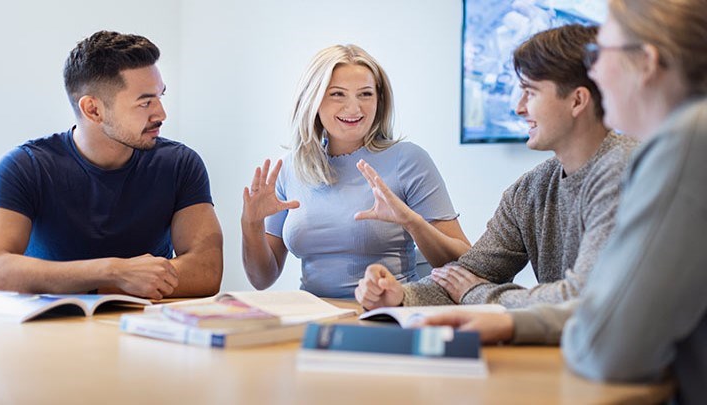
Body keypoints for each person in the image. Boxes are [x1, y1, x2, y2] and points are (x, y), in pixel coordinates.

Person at [423, 0, 707, 402]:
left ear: (645, 62)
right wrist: (514, 324)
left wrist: (484, 298)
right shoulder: (682, 140)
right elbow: (602, 307)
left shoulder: (686, 143)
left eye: (598, 54)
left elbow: (606, 345)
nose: (592, 72)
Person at [355, 24, 640, 310]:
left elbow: (584, 298)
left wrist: (477, 294)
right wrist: (400, 297)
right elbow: (466, 274)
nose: (519, 107)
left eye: (531, 92)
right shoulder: (531, 189)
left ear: (577, 100)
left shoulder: (625, 169)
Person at [0, 31, 223, 299]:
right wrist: (112, 271)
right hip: (49, 329)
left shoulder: (180, 163)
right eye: (145, 102)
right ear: (93, 110)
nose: (161, 114)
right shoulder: (24, 167)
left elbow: (206, 270)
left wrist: (104, 287)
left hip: (148, 329)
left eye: (160, 97)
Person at [241, 44, 470, 298]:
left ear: (379, 100)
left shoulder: (408, 160)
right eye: (338, 94)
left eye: (365, 94)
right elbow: (262, 279)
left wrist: (411, 221)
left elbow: (464, 263)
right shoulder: (289, 169)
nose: (354, 108)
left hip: (388, 313)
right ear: (313, 100)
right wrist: (251, 224)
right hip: (316, 318)